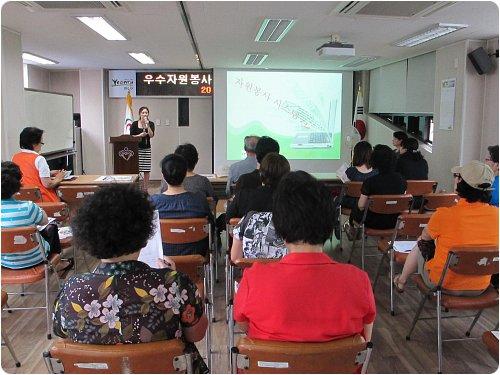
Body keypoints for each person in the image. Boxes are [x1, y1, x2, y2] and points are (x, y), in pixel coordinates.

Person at [52, 185, 208, 373]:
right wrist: (172, 279)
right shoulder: (173, 283)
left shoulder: (72, 289)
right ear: (144, 236)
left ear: (89, 238)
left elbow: (62, 333)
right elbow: (196, 334)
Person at [234, 171, 376, 342]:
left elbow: (244, 326)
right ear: (329, 225)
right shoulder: (359, 281)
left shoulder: (253, 279)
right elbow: (365, 340)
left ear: (279, 227)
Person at [394, 160, 498, 295]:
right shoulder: (497, 214)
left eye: (457, 176)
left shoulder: (444, 214)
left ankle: (401, 281)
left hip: (443, 283)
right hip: (480, 286)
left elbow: (424, 238)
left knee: (421, 243)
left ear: (461, 183)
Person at [1, 161, 72, 272]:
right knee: (51, 225)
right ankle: (58, 264)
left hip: (5, 262)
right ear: (18, 185)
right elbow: (44, 221)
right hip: (36, 259)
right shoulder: (28, 207)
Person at [229, 153, 290, 262]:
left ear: (261, 175)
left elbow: (229, 220)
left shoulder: (243, 196)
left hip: (250, 265)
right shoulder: (293, 202)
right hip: (286, 267)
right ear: (286, 177)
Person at [150, 154, 212, 256]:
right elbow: (210, 224)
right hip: (196, 253)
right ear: (185, 175)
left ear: (163, 176)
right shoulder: (199, 200)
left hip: (162, 253)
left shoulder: (153, 202)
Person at [349, 144, 407, 231]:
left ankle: (352, 231)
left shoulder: (370, 181)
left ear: (374, 160)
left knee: (355, 207)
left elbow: (361, 206)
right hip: (395, 221)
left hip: (372, 222)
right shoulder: (402, 179)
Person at [11, 127, 65, 202]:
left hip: (22, 198)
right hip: (41, 200)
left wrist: (48, 173)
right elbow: (48, 184)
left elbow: (27, 174)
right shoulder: (39, 159)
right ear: (34, 144)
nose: (41, 146)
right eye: (41, 143)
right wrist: (59, 178)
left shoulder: (14, 157)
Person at [130, 106, 155, 190]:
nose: (145, 114)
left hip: (146, 148)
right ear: (140, 114)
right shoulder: (134, 124)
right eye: (143, 112)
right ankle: (136, 188)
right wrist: (139, 135)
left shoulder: (151, 123)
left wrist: (147, 125)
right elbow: (131, 136)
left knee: (146, 169)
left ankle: (145, 188)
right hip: (136, 149)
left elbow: (151, 135)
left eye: (146, 113)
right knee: (136, 169)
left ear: (148, 114)